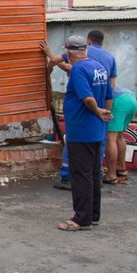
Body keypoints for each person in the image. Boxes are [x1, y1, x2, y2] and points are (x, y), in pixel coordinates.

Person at [40, 29, 117, 190]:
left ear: (88, 42)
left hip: (83, 116)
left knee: (75, 143)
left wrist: (48, 54)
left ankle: (68, 177)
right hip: (101, 113)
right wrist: (104, 112)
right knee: (99, 145)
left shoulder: (79, 67)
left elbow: (63, 64)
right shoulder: (107, 60)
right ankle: (97, 177)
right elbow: (111, 89)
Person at [57, 35, 112, 231]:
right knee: (94, 174)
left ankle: (81, 219)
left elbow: (88, 99)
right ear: (85, 49)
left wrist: (97, 111)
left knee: (81, 175)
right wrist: (104, 115)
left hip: (81, 130)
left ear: (69, 52)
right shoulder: (98, 67)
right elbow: (108, 95)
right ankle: (93, 215)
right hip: (97, 130)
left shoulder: (79, 69)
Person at [103, 85, 137, 184]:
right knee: (119, 136)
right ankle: (121, 169)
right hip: (131, 98)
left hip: (118, 101)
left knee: (111, 138)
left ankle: (111, 175)